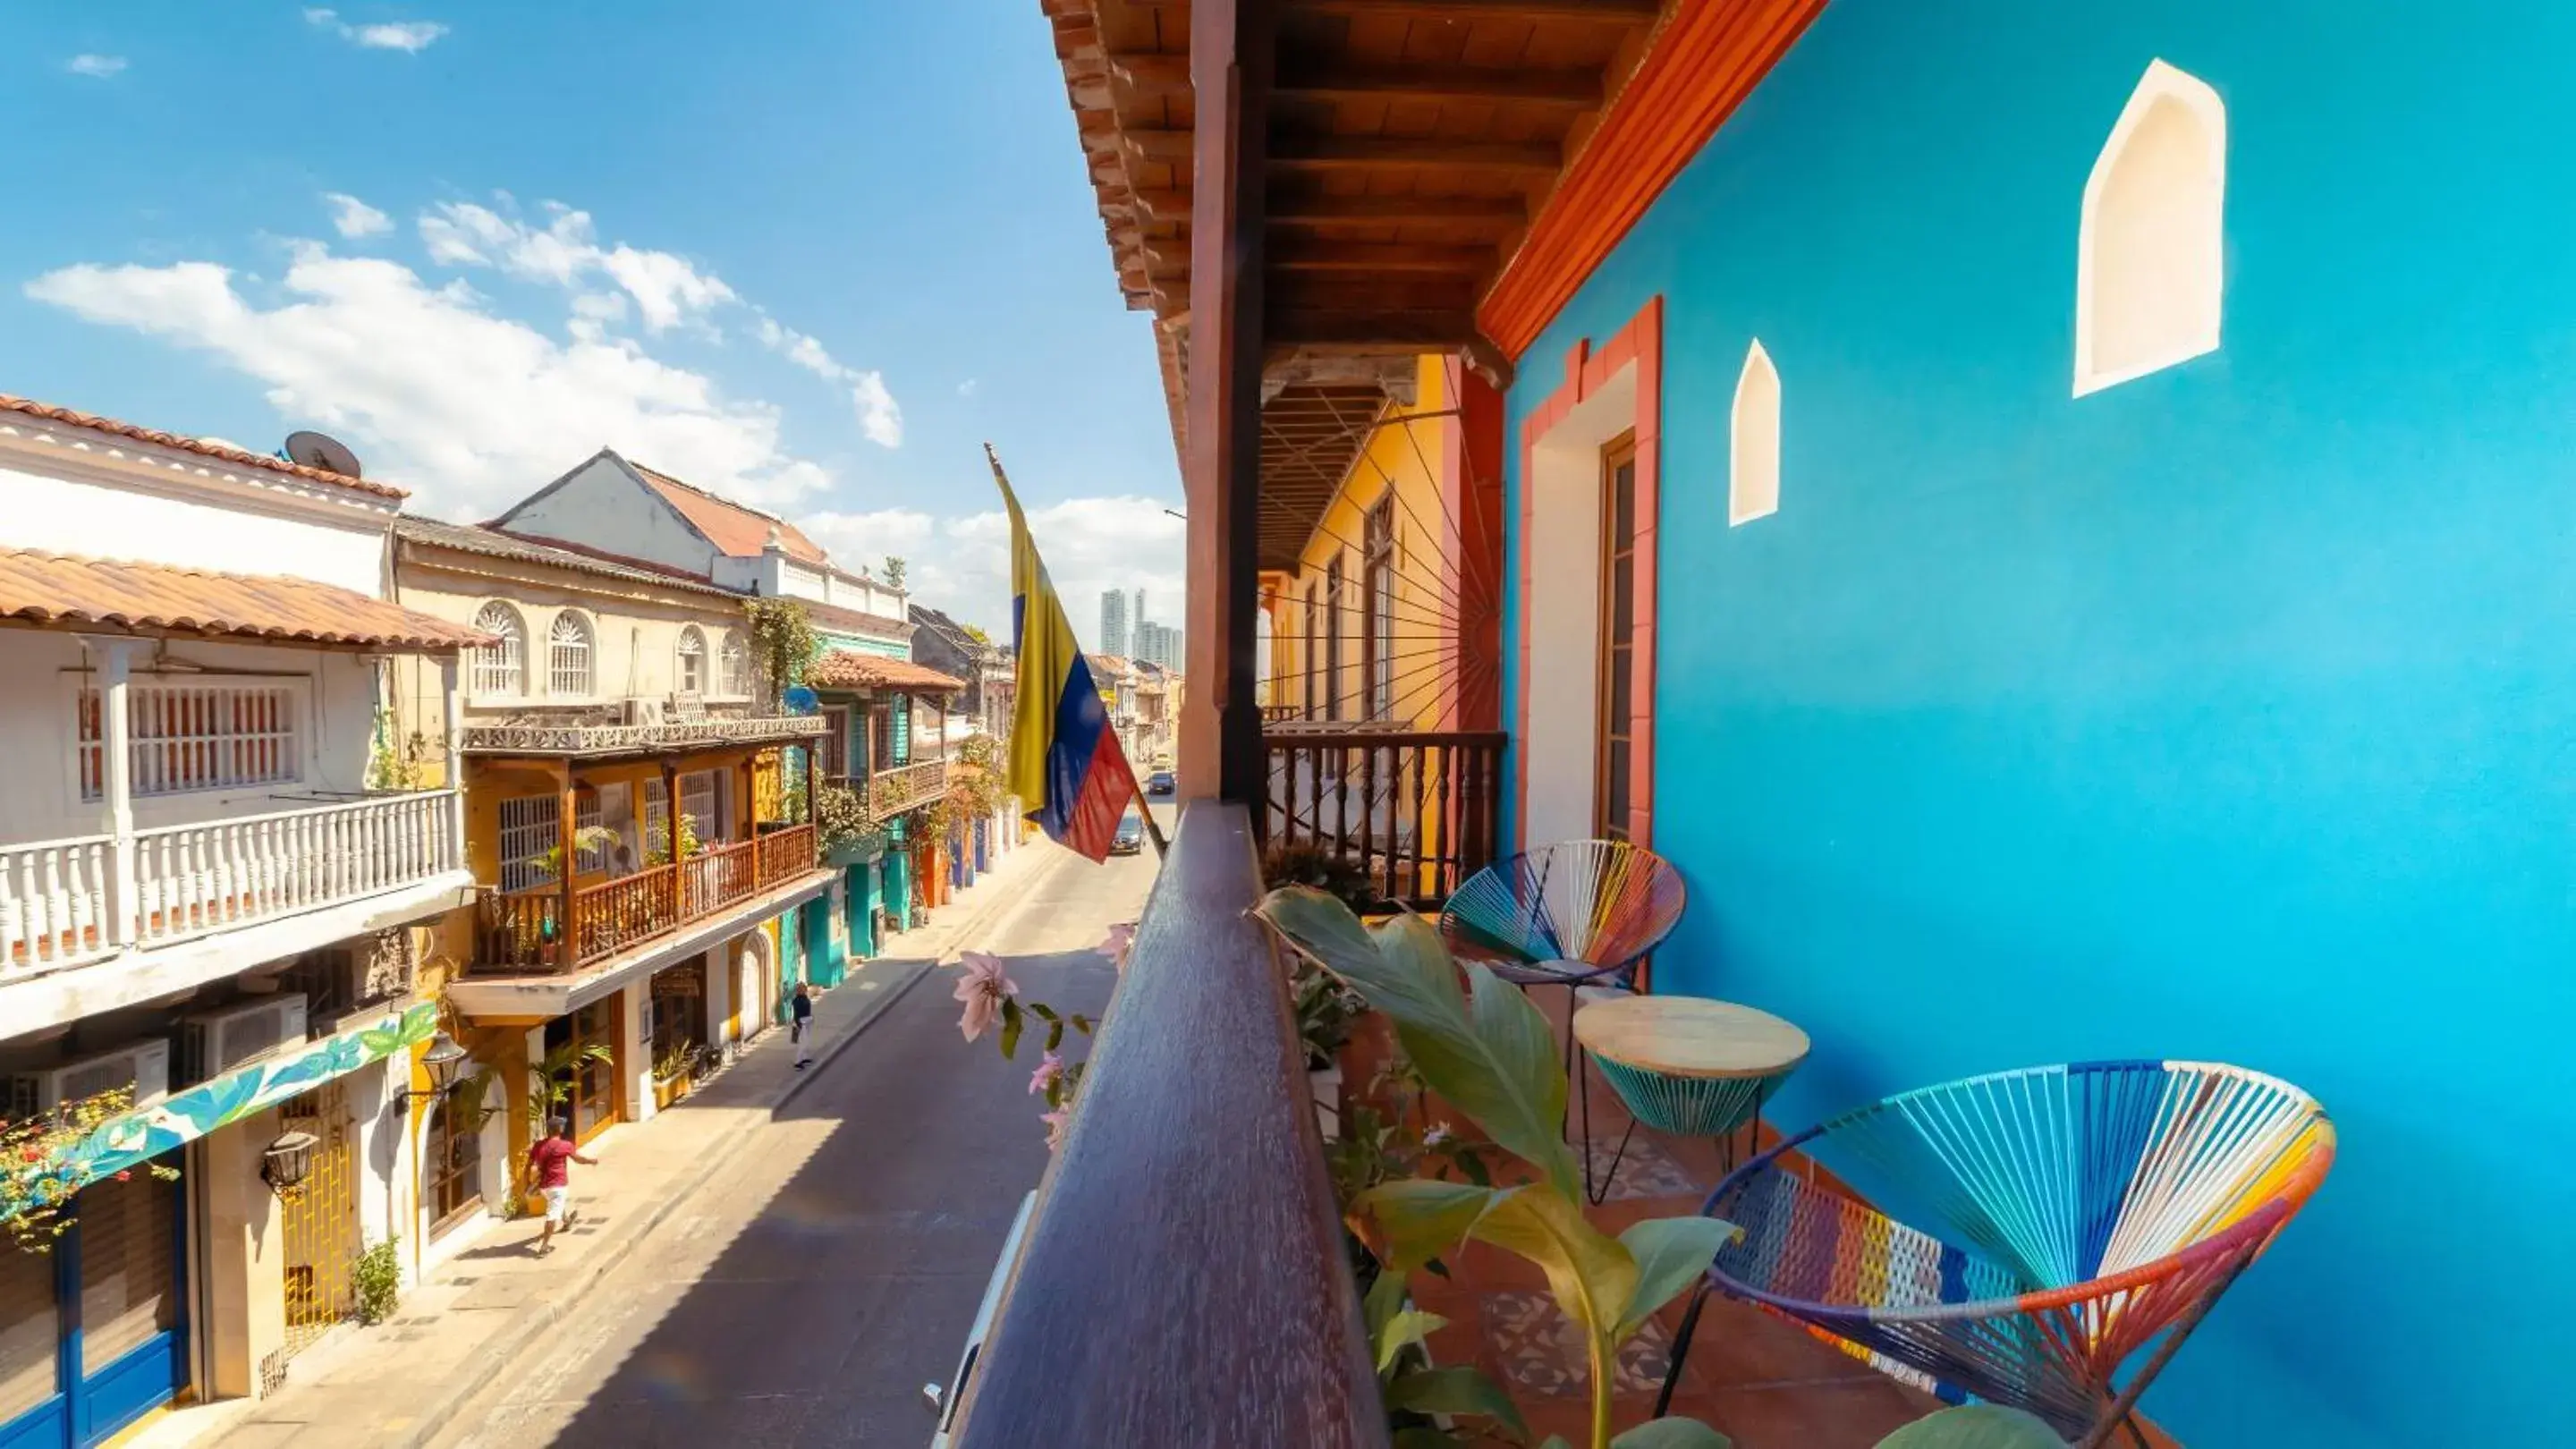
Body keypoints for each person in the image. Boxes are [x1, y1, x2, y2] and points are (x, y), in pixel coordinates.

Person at [527, 1118, 597, 1257]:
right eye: (562, 1125)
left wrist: (529, 1182)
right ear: (559, 1129)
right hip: (558, 1185)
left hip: (544, 1187)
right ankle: (544, 1246)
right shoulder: (565, 1145)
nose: (564, 1127)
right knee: (553, 1214)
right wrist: (591, 1161)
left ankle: (567, 1222)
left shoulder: (539, 1145)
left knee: (556, 1203)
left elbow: (531, 1162)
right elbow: (578, 1159)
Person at [791, 981, 815, 1068]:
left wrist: (811, 1018)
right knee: (803, 1043)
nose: (805, 989)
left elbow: (807, 1010)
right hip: (801, 1023)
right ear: (798, 990)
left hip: (807, 1021)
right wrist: (798, 1025)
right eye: (802, 988)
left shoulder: (805, 998)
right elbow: (796, 1014)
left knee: (807, 1041)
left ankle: (804, 1058)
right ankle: (797, 1062)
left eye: (805, 988)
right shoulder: (797, 1001)